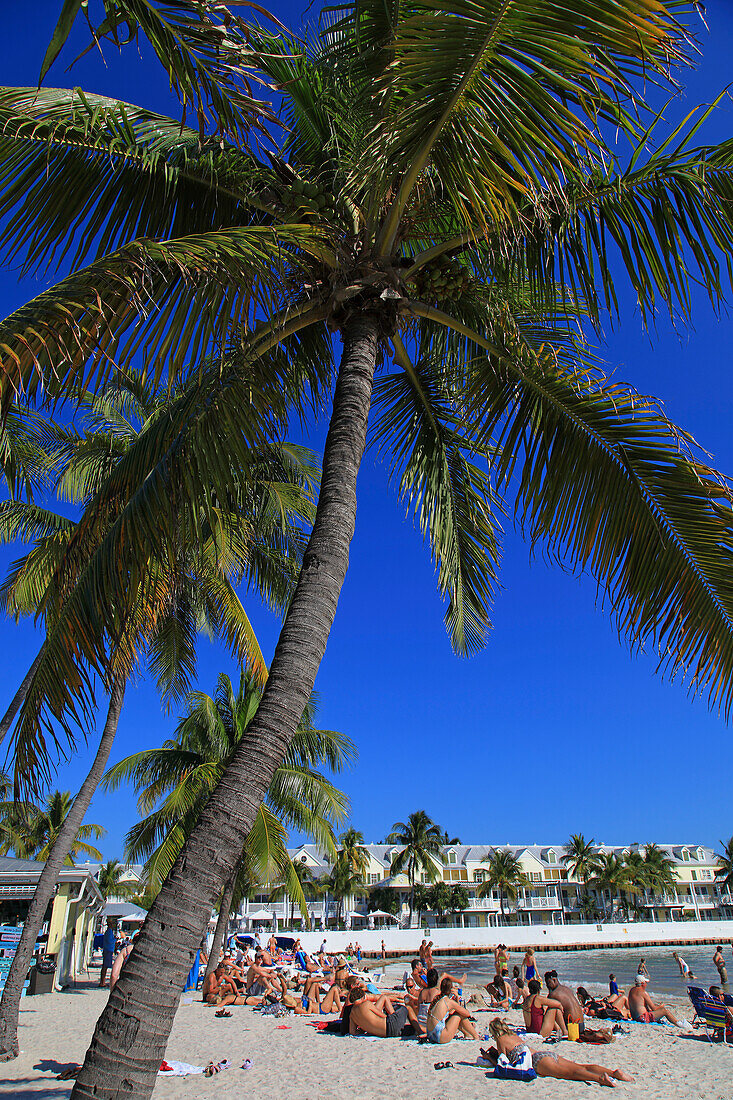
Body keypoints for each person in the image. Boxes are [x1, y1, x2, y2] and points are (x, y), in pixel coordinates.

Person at [484, 1018, 634, 1087]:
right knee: (581, 1066)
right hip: (546, 1053)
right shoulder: (513, 1035)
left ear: (495, 1031)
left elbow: (503, 1063)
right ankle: (614, 1073)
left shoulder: (500, 1040)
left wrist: (488, 1058)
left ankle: (600, 1078)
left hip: (538, 1062)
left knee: (570, 1074)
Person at [348, 986, 418, 1037]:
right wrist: (394, 1016)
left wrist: (364, 1028)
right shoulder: (366, 1004)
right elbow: (382, 1016)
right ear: (362, 997)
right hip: (391, 1024)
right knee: (407, 1008)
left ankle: (414, 1028)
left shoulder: (352, 1014)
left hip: (388, 1033)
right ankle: (420, 1030)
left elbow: (353, 1032)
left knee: (410, 1029)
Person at [425, 977, 479, 1043]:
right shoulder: (448, 1001)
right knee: (459, 1014)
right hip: (440, 1037)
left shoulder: (437, 999)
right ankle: (476, 1036)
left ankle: (467, 1034)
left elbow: (451, 1013)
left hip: (431, 1035)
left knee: (454, 1016)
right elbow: (466, 1013)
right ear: (451, 989)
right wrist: (457, 997)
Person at [99, 919, 117, 988]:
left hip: (108, 950)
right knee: (105, 966)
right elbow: (110, 941)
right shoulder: (109, 932)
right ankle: (102, 982)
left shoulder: (109, 931)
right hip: (108, 950)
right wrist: (115, 939)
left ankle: (102, 981)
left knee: (105, 966)